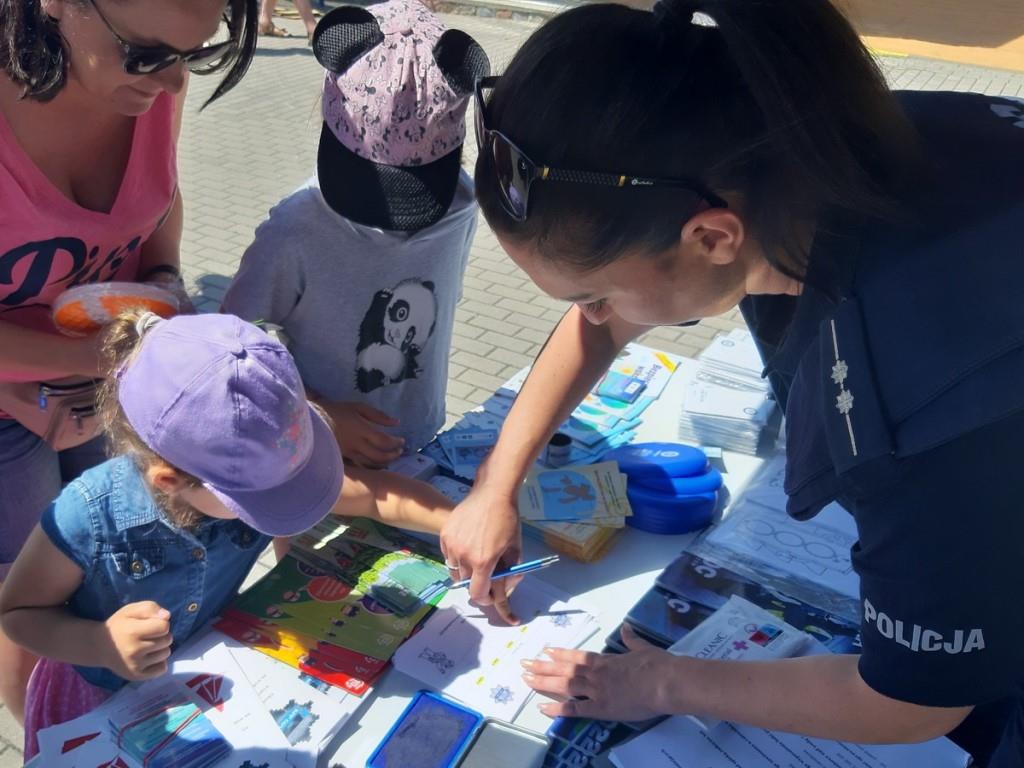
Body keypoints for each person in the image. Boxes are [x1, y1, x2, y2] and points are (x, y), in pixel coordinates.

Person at [439, 0, 1024, 764]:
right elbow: (604, 326)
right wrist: (495, 484)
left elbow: (915, 702)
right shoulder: (810, 148)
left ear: (712, 236)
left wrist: (660, 682)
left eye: (593, 292)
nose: (594, 315)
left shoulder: (919, 394)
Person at [0, 310, 461, 759]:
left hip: (204, 679)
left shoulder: (252, 464)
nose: (285, 501)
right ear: (170, 480)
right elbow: (17, 613)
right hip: (101, 699)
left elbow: (376, 495)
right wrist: (100, 643)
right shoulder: (87, 512)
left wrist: (462, 524)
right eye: (265, 497)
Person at [0, 0, 257, 722]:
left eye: (194, 54)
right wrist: (81, 359)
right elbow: (20, 610)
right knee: (22, 591)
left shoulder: (148, 85)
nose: (173, 84)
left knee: (108, 567)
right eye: (147, 53)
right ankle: (45, 740)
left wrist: (166, 283)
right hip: (24, 400)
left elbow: (159, 204)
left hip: (106, 380)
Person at [223, 0, 489, 467]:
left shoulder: (462, 206)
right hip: (316, 454)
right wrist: (315, 412)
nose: (393, 219)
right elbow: (229, 347)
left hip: (421, 437)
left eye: (412, 188)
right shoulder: (296, 229)